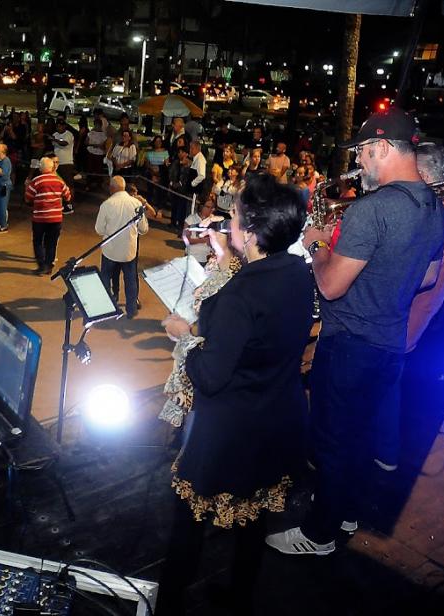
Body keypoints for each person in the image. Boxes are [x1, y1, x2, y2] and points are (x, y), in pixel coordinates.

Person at [266, 107, 444, 556]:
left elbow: (329, 285)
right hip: (389, 346)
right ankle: (346, 512)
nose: (360, 163)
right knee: (361, 439)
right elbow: (425, 278)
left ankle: (319, 535)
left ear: (383, 148)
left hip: (348, 346)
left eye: (364, 153)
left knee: (331, 441)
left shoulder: (372, 210)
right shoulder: (436, 209)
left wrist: (316, 243)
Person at [157, 174, 315, 615]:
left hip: (231, 431)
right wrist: (228, 256)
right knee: (254, 519)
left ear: (253, 229)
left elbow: (209, 375)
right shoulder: (296, 273)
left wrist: (183, 335)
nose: (229, 221)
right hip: (278, 417)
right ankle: (239, 599)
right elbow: (257, 331)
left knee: (188, 527)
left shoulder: (239, 295)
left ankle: (168, 604)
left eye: (235, 217)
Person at [373, 142, 444, 471]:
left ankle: (382, 455)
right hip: (422, 312)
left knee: (381, 384)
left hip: (407, 313)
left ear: (423, 175)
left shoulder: (440, 215)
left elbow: (419, 275)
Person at [95, 177, 155, 318]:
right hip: (129, 251)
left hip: (110, 251)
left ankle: (106, 306)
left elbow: (99, 230)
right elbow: (144, 229)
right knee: (130, 280)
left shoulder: (106, 204)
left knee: (106, 277)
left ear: (112, 188)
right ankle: (131, 309)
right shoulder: (136, 203)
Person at [24, 157, 71, 275]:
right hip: (55, 218)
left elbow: (28, 197)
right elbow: (68, 196)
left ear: (41, 168)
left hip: (39, 218)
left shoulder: (36, 181)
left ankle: (41, 265)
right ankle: (49, 266)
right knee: (52, 242)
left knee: (38, 241)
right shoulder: (59, 181)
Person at [182, 195, 224, 265]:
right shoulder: (191, 219)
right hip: (192, 257)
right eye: (207, 207)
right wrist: (204, 240)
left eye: (212, 208)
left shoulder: (214, 221)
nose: (210, 210)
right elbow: (186, 239)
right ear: (201, 206)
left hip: (206, 259)